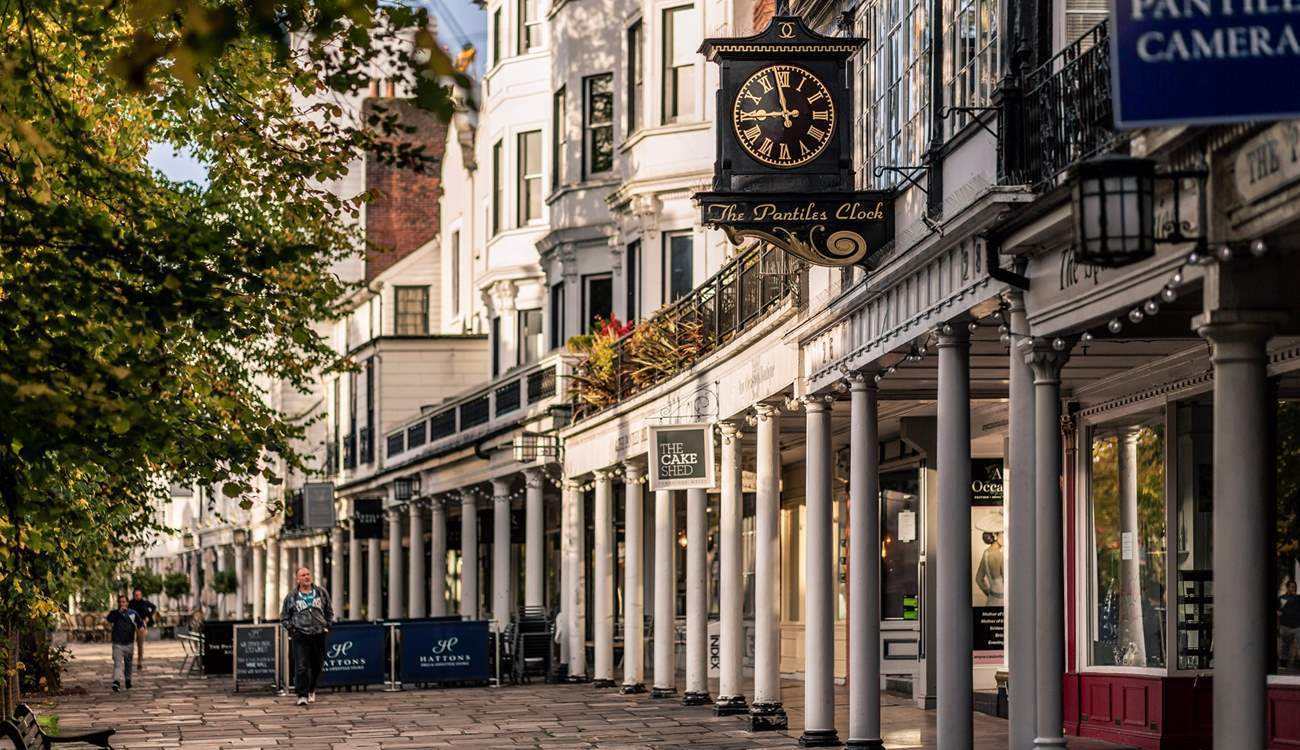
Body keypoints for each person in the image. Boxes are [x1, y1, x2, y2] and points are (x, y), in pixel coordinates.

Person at [280, 566, 333, 706]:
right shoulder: (291, 597)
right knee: (301, 666)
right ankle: (301, 695)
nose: (306, 577)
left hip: (318, 634)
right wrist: (292, 629)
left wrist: (327, 625)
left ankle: (311, 689)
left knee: (318, 665)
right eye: (303, 575)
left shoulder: (321, 592)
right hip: (300, 635)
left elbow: (329, 611)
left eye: (308, 574)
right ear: (298, 579)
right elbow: (284, 617)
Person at [106, 594, 142, 692]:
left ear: (127, 603)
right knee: (118, 664)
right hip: (117, 644)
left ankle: (128, 680)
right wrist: (118, 613)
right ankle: (116, 682)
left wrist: (142, 629)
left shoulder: (133, 613)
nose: (122, 604)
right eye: (120, 602)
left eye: (124, 602)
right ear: (118, 603)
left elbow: (140, 624)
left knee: (128, 664)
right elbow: (109, 619)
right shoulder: (114, 613)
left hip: (129, 643)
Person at [128, 588, 157, 669]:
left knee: (140, 644)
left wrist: (148, 618)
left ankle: (139, 661)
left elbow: (154, 607)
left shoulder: (145, 603)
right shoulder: (130, 603)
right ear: (134, 595)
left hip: (142, 625)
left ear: (141, 595)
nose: (137, 596)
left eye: (139, 595)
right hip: (132, 625)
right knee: (130, 644)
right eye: (136, 595)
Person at [1280, 579, 1300, 670]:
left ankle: (1297, 662)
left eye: (1295, 587)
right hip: (1285, 626)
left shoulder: (1299, 598)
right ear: (1287, 587)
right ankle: (1283, 664)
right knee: (1285, 646)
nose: (1294, 589)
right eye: (1292, 587)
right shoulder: (1282, 598)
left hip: (1297, 626)